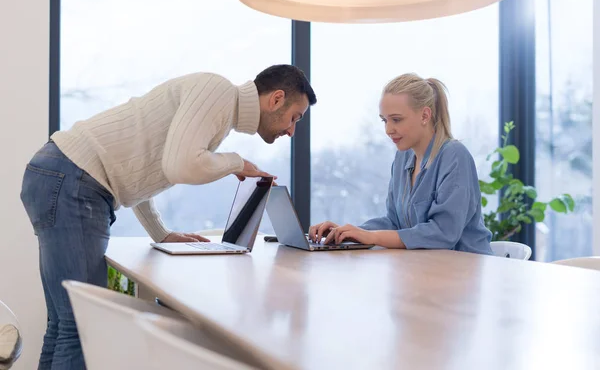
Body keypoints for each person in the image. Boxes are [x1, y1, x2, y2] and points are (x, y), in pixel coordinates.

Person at [20, 64, 316, 369]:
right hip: (73, 179)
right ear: (276, 99)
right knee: (78, 326)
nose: (292, 131)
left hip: (61, 174)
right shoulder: (218, 93)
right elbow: (180, 166)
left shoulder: (220, 108)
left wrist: (160, 232)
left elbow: (145, 169)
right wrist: (236, 162)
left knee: (63, 323)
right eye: (295, 118)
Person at [309, 73, 492, 255]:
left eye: (396, 119)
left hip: (464, 270)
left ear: (425, 115)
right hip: (425, 269)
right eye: (384, 120)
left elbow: (443, 233)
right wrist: (349, 233)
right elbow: (394, 222)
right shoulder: (402, 158)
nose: (388, 130)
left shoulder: (454, 156)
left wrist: (372, 237)